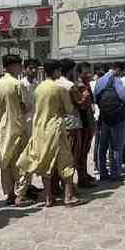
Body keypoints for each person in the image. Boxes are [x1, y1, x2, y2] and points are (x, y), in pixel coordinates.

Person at [17, 59, 86, 207]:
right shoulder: (58, 88)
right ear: (55, 71)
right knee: (66, 162)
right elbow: (68, 109)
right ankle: (69, 196)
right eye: (59, 71)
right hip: (56, 128)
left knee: (45, 163)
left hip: (40, 129)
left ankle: (49, 197)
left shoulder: (39, 88)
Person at [0, 54, 33, 207]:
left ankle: (9, 194)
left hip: (3, 129)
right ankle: (20, 195)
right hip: (17, 127)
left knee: (5, 162)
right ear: (12, 66)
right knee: (22, 163)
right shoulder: (17, 84)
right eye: (19, 65)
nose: (21, 68)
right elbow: (26, 106)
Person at [55, 59, 87, 187]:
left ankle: (57, 184)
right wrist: (85, 93)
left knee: (60, 155)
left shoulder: (54, 83)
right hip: (72, 123)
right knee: (72, 155)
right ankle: (68, 185)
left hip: (58, 123)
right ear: (70, 71)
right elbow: (82, 103)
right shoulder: (69, 85)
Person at [94, 61, 125, 181]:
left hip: (104, 117)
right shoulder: (117, 81)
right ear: (118, 70)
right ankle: (115, 173)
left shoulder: (100, 80)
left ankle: (102, 172)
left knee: (102, 146)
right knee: (116, 146)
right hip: (117, 118)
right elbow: (123, 97)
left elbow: (96, 98)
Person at [76, 63, 97, 187]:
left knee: (86, 150)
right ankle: (82, 177)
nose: (88, 75)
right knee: (82, 152)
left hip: (88, 121)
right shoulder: (79, 86)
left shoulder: (87, 85)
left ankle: (84, 174)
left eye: (89, 72)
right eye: (85, 72)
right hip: (83, 123)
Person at [21, 59, 40, 137]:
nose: (34, 70)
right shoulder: (22, 84)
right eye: (31, 68)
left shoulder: (37, 84)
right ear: (25, 70)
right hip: (25, 118)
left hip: (36, 117)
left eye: (35, 68)